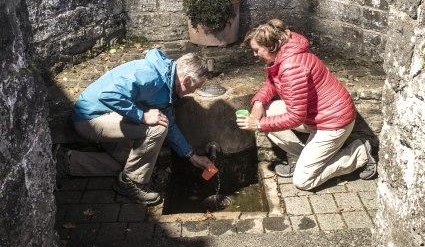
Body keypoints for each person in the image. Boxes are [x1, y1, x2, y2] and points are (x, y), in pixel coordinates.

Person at [55, 49, 212, 205]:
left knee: (131, 164)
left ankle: (66, 160)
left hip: (112, 118)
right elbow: (108, 95)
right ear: (186, 80)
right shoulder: (150, 76)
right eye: (196, 87)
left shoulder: (168, 85)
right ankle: (131, 184)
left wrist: (191, 156)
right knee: (157, 128)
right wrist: (143, 116)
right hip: (90, 119)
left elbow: (170, 123)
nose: (194, 92)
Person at [236, 19, 377, 191]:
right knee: (267, 110)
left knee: (303, 181)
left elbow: (295, 117)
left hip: (332, 122)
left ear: (271, 46)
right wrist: (259, 101)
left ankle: (359, 153)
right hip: (315, 115)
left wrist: (258, 124)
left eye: (257, 50)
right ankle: (298, 157)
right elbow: (273, 82)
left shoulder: (292, 67)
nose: (255, 55)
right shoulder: (286, 51)